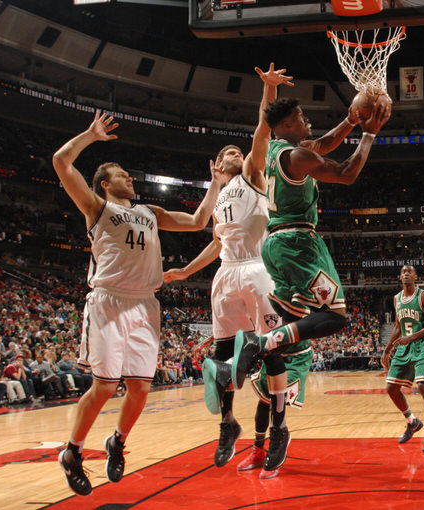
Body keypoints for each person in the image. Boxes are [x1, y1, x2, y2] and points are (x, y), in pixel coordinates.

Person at [52, 108, 223, 496]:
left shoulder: (150, 212)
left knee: (141, 388)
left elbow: (197, 221)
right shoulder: (97, 207)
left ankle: (117, 441)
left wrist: (213, 186)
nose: (130, 178)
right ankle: (72, 451)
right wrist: (90, 136)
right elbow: (61, 162)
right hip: (109, 302)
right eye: (122, 175)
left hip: (146, 304)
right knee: (105, 384)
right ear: (104, 184)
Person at [228, 93, 391, 473]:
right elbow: (347, 172)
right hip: (298, 243)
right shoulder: (297, 156)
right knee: (335, 316)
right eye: (301, 117)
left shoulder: (276, 152)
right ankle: (259, 342)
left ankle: (272, 435)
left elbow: (323, 144)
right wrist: (369, 132)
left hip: (273, 247)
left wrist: (350, 121)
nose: (308, 122)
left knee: (281, 349)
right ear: (286, 125)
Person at [163, 63, 293, 472]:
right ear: (217, 166)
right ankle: (227, 423)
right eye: (227, 153)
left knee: (272, 351)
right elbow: (216, 244)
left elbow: (262, 130)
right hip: (225, 273)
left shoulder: (254, 175)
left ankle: (279, 428)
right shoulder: (219, 200)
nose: (235, 153)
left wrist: (267, 91)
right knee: (220, 357)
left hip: (257, 269)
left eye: (237, 151)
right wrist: (185, 271)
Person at [381, 265, 424, 452]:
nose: (406, 274)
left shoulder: (423, 296)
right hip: (404, 346)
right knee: (391, 388)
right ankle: (412, 422)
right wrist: (387, 349)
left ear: (416, 276)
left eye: (410, 272)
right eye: (403, 272)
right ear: (400, 276)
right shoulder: (396, 299)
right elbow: (397, 327)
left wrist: (412, 337)